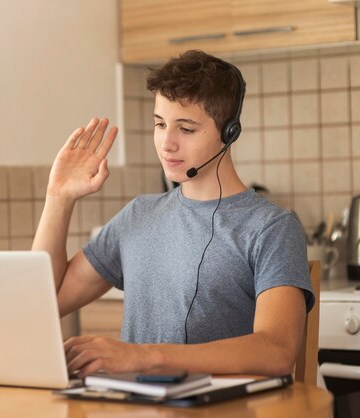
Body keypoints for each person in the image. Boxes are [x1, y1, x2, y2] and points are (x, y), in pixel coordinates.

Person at [32, 50, 314, 378]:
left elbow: (276, 351)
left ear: (229, 133)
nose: (166, 143)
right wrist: (58, 197)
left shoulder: (272, 228)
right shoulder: (138, 215)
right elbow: (42, 304)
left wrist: (141, 357)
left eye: (186, 129)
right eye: (160, 124)